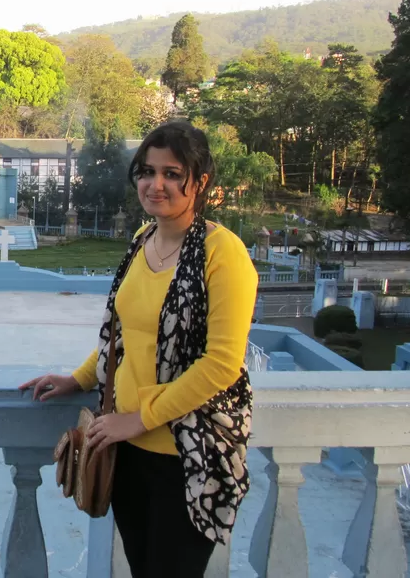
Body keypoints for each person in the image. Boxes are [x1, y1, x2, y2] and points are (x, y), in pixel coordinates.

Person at [20, 121, 258, 578]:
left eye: (172, 173)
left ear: (200, 180)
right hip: (126, 450)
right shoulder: (141, 242)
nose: (157, 184)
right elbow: (121, 335)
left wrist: (140, 419)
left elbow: (222, 364)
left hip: (187, 457)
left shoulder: (222, 253)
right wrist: (79, 378)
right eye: (147, 172)